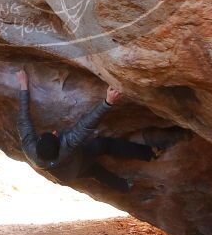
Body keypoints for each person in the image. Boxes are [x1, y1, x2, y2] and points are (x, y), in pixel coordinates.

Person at [16, 69, 190, 192]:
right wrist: (107, 102)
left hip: (65, 175)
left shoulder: (29, 148)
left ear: (36, 143)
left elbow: (23, 118)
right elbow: (85, 125)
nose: (54, 132)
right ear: (59, 143)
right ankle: (149, 153)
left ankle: (124, 186)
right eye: (54, 135)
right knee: (103, 144)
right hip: (75, 163)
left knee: (94, 171)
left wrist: (23, 85)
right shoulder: (67, 145)